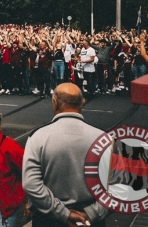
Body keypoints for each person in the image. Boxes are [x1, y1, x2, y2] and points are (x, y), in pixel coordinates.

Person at [22, 83, 110, 227]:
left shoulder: (38, 137)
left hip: (49, 220)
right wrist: (92, 213)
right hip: (90, 221)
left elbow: (31, 184)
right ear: (82, 102)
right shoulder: (103, 138)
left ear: (55, 102)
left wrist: (64, 214)